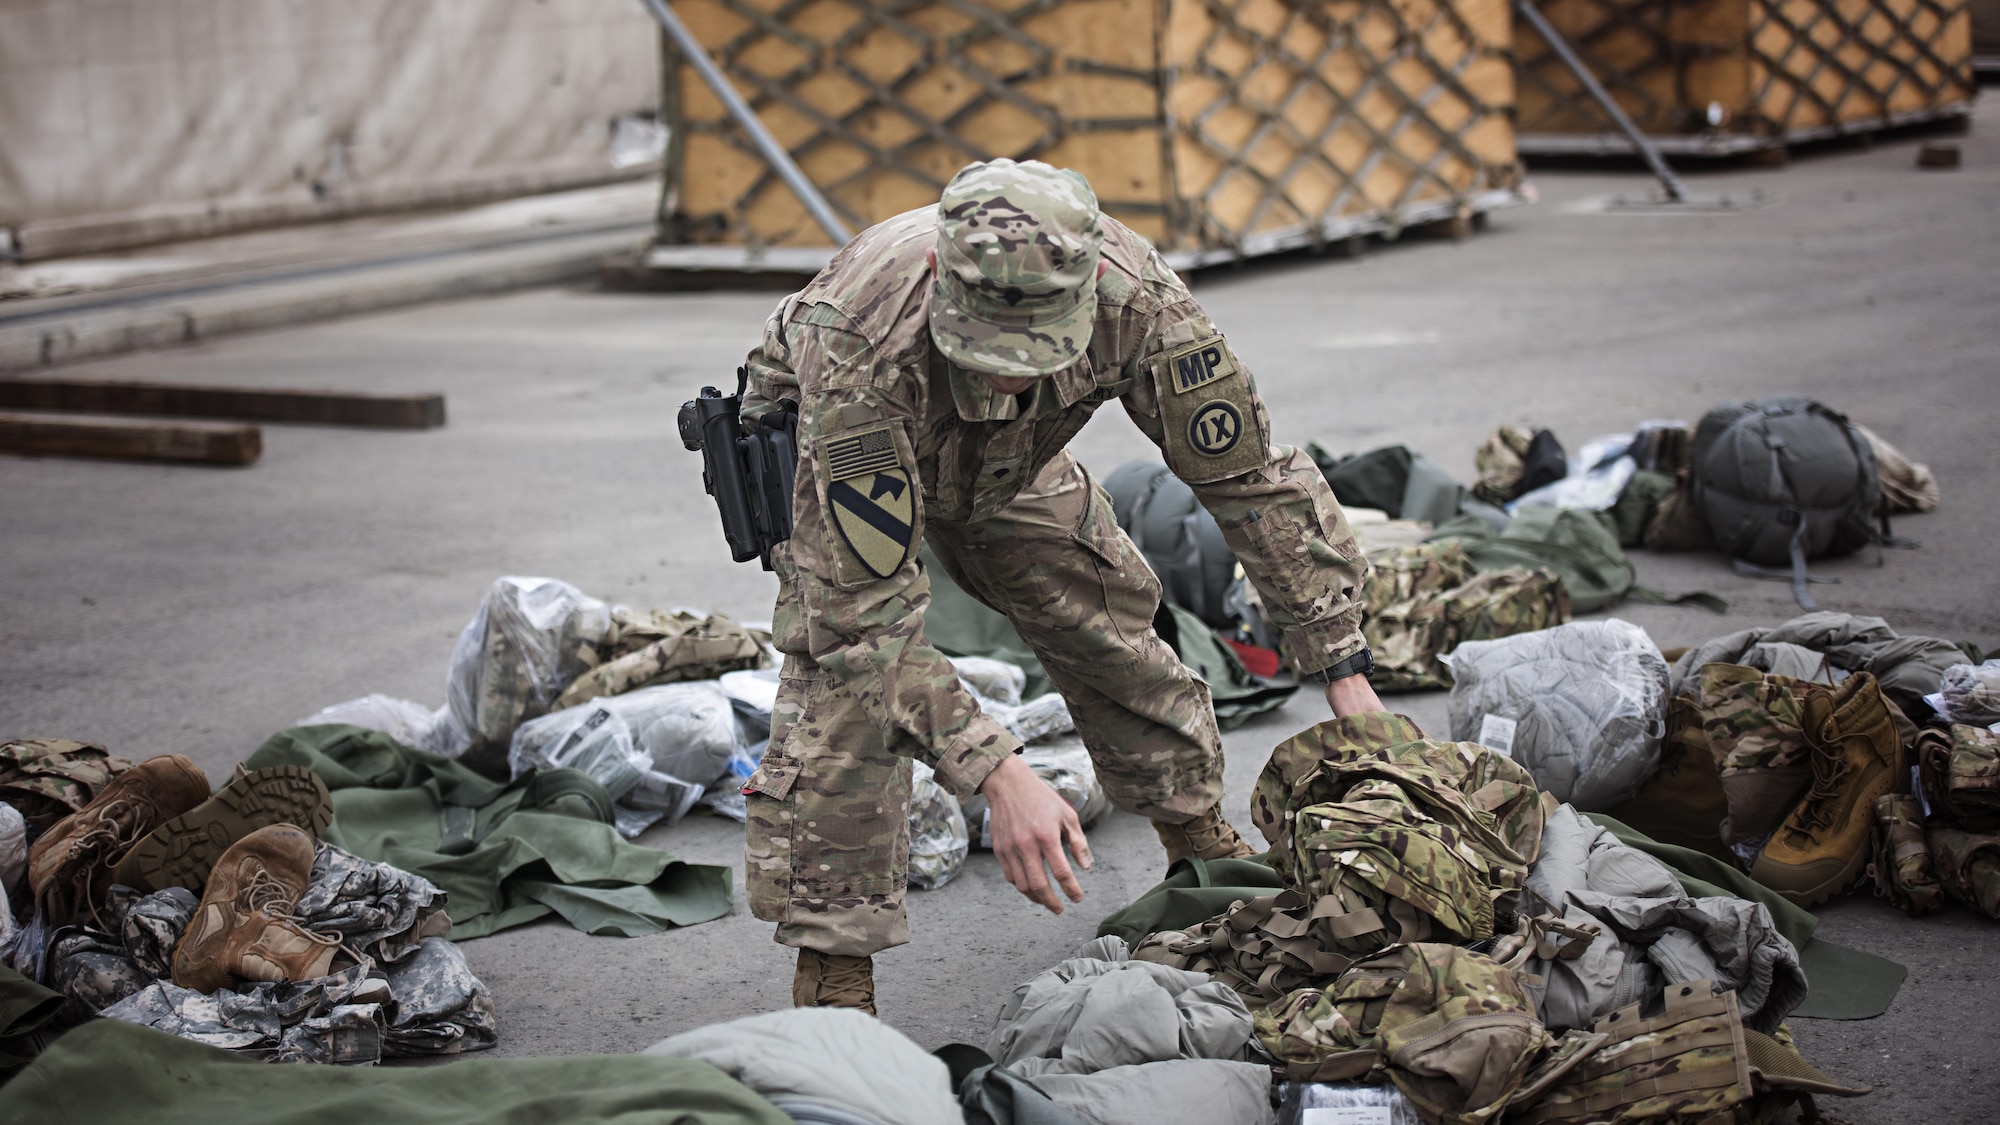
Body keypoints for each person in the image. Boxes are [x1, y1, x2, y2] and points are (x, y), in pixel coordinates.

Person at [736, 158, 1384, 1014]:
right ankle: (835, 967)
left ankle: (1193, 832)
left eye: (1033, 354)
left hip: (1010, 464)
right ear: (942, 276)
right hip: (844, 461)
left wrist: (1344, 666)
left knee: (1104, 606)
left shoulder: (1137, 297)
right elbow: (867, 624)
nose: (1008, 375)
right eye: (989, 351)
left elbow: (1249, 478)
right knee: (844, 686)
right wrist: (1001, 773)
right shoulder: (860, 343)